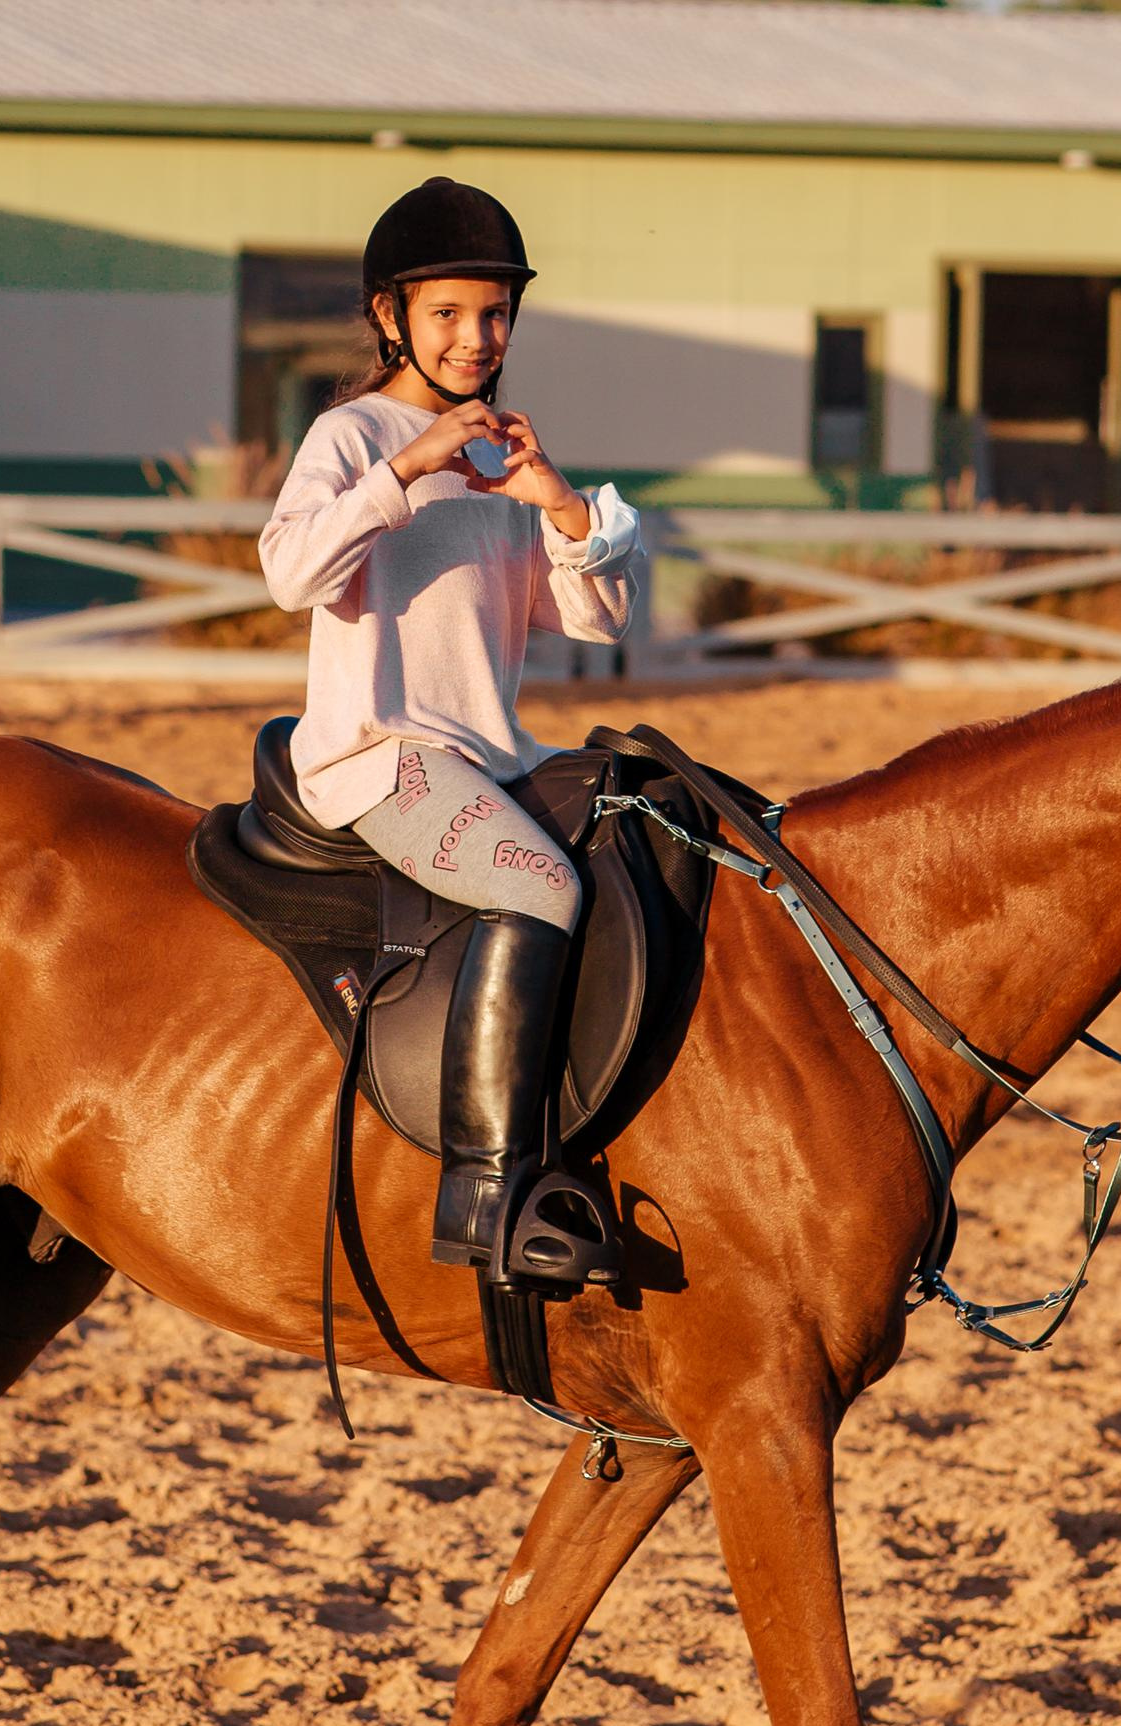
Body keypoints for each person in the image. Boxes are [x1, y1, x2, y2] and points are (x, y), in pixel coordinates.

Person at [259, 179, 642, 1288]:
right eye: (447, 316)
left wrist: (555, 499)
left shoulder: (503, 453)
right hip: (375, 757)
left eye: (493, 315)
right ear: (391, 317)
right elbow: (290, 574)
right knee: (542, 888)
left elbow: (593, 618)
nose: (476, 339)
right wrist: (407, 467)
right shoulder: (350, 435)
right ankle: (487, 1193)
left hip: (489, 755)